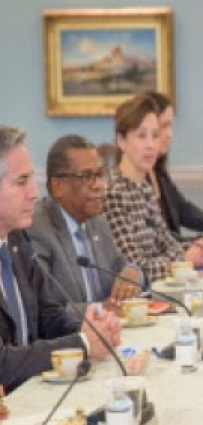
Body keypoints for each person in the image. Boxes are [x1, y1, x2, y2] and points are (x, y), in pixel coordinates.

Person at [0, 124, 120, 392]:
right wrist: (84, 344)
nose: (34, 192)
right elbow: (2, 363)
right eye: (21, 182)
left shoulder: (16, 239)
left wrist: (87, 323)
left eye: (32, 179)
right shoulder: (31, 231)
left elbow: (46, 314)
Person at [28, 135, 143, 320]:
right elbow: (46, 314)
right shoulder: (38, 228)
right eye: (87, 176)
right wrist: (99, 310)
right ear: (57, 186)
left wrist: (133, 273)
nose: (99, 185)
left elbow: (121, 264)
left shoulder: (97, 222)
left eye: (100, 174)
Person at [103, 95, 203, 282]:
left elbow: (169, 244)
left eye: (155, 136)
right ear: (121, 140)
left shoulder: (145, 188)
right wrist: (182, 260)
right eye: (141, 136)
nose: (151, 145)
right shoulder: (113, 192)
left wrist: (192, 250)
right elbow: (134, 269)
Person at [144, 91, 203, 245]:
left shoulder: (158, 172)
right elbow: (159, 242)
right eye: (164, 125)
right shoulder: (134, 182)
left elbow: (182, 209)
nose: (170, 134)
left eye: (170, 125)